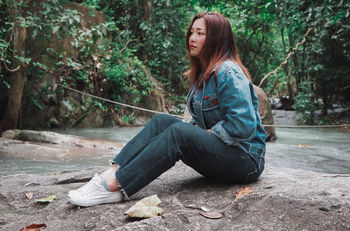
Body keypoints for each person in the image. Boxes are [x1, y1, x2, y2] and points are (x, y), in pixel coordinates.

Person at [67, 12, 266, 207]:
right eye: (191, 32)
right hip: (224, 153)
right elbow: (201, 121)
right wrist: (199, 134)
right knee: (162, 121)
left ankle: (116, 185)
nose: (192, 38)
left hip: (246, 160)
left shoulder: (228, 72)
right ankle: (110, 173)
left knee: (178, 134)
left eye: (200, 33)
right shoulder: (202, 74)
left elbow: (243, 125)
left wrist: (204, 134)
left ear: (216, 38)